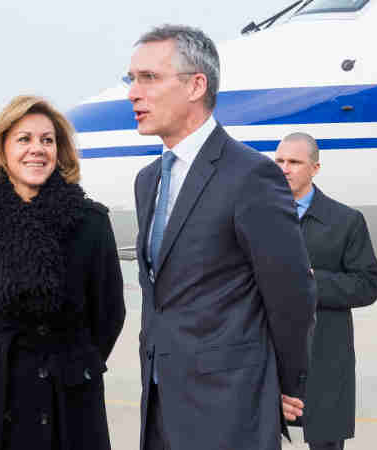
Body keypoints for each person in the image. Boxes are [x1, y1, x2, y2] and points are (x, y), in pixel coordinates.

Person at [128, 25, 317, 450]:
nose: (133, 94)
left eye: (149, 78)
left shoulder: (250, 175)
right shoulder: (149, 181)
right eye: (132, 79)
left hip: (229, 409)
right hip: (159, 405)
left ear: (196, 85)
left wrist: (284, 384)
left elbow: (291, 293)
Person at [0, 95, 126, 450]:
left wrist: (74, 364)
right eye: (24, 139)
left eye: (47, 140)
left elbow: (109, 314)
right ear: (1, 148)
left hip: (69, 398)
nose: (37, 149)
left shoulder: (91, 222)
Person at [274, 132, 377, 450]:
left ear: (315, 168)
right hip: (267, 356)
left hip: (323, 357)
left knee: (325, 442)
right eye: (279, 161)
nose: (284, 168)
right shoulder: (255, 216)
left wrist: (309, 282)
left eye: (294, 162)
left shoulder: (345, 221)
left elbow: (368, 284)